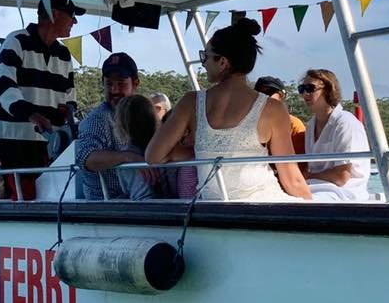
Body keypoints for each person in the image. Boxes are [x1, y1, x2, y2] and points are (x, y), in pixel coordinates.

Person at [146, 18, 311, 201]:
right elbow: (291, 179)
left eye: (205, 56)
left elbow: (153, 156)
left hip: (214, 210)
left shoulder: (190, 102)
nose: (203, 63)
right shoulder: (273, 108)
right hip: (263, 204)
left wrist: (200, 153)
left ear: (223, 62)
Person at [0, 0, 83, 199]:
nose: (74, 21)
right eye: (71, 15)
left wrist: (69, 119)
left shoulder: (64, 55)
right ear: (54, 14)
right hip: (9, 144)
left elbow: (69, 97)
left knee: (48, 199)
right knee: (17, 202)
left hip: (47, 146)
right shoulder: (16, 41)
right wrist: (31, 114)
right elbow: (3, 86)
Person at [74, 52, 156, 199]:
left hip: (139, 196)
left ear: (135, 83)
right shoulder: (98, 119)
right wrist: (129, 158)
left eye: (121, 83)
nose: (114, 90)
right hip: (108, 204)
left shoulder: (143, 112)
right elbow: (85, 158)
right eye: (109, 84)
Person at [297, 69, 370, 201]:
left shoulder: (346, 123)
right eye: (301, 89)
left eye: (310, 88)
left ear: (328, 89)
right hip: (314, 187)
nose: (305, 94)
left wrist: (308, 176)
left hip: (344, 193)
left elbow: (342, 176)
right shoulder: (310, 126)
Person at [113, 93, 170, 199]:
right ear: (153, 117)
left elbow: (126, 188)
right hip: (171, 202)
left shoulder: (125, 155)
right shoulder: (164, 146)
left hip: (141, 207)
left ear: (122, 124)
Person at [255, 75, 306, 156]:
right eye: (260, 94)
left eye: (269, 93)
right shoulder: (249, 125)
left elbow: (301, 163)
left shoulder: (295, 125)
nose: (264, 98)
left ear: (282, 96)